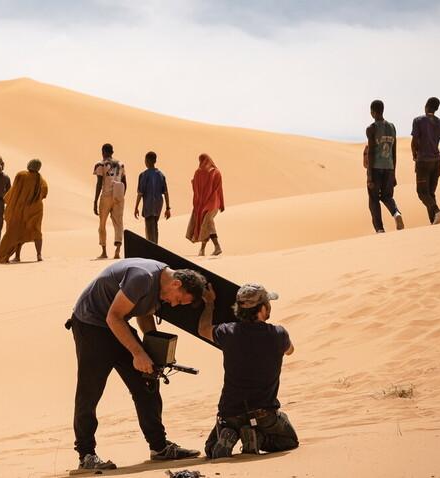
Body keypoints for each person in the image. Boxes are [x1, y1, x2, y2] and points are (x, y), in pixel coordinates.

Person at [64, 258, 206, 470]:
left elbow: (144, 312)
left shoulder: (163, 285)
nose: (174, 304)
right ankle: (86, 455)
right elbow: (114, 317)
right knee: (89, 391)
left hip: (116, 325)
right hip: (91, 324)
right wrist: (138, 353)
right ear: (176, 284)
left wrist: (152, 350)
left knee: (147, 381)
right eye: (178, 299)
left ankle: (159, 448)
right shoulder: (143, 277)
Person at [198, 283, 299, 458]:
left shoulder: (227, 332)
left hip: (230, 413)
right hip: (263, 413)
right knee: (288, 441)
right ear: (261, 309)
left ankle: (231, 432)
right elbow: (290, 350)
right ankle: (257, 437)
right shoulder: (278, 334)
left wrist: (209, 304)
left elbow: (203, 330)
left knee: (210, 449)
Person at [0, 159, 48, 264]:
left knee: (17, 230)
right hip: (36, 209)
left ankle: (17, 256)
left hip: (20, 209)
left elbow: (14, 191)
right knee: (36, 231)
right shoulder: (41, 179)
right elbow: (44, 193)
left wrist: (9, 201)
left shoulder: (21, 175)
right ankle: (39, 255)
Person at [365, 100, 404, 233]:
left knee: (373, 199)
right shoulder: (392, 127)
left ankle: (380, 229)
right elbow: (394, 151)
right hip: (389, 167)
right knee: (387, 196)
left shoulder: (371, 128)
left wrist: (369, 175)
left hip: (376, 168)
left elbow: (370, 153)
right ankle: (396, 214)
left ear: (373, 112)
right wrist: (394, 173)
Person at [411, 97, 440, 225]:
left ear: (426, 105)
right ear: (437, 108)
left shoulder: (418, 121)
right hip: (437, 162)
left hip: (423, 161)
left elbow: (414, 141)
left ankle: (437, 211)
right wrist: (438, 154)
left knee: (422, 193)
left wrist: (415, 155)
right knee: (430, 193)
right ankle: (434, 221)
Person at [185, 154, 224, 256]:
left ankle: (217, 246)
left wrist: (222, 204)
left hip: (211, 203)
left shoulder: (213, 173)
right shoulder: (201, 172)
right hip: (206, 204)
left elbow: (218, 189)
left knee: (207, 222)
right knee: (206, 224)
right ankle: (203, 250)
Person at [93, 143, 127, 259]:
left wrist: (95, 201)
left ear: (103, 152)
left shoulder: (100, 165)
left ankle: (104, 251)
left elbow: (99, 184)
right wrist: (121, 197)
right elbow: (124, 182)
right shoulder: (121, 165)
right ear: (112, 152)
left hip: (106, 196)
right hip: (118, 195)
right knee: (118, 224)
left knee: (102, 224)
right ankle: (117, 250)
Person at [134, 151, 171, 244]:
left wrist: (136, 207)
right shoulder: (161, 174)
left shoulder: (143, 175)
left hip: (149, 204)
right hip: (158, 204)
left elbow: (140, 193)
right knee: (154, 225)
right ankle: (155, 245)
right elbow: (166, 192)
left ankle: (152, 247)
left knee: (150, 226)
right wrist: (167, 208)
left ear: (147, 161)